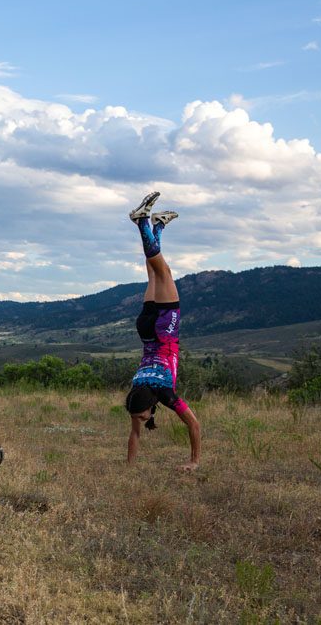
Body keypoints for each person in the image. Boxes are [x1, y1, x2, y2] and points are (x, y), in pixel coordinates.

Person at [124, 191, 202, 472]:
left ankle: (141, 222)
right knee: (155, 275)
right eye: (140, 417)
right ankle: (157, 226)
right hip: (145, 329)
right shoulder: (137, 391)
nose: (141, 419)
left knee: (164, 273)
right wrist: (129, 467)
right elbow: (135, 434)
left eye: (141, 416)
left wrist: (194, 462)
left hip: (163, 331)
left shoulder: (164, 393)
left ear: (149, 404)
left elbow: (194, 424)